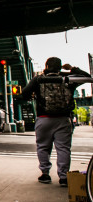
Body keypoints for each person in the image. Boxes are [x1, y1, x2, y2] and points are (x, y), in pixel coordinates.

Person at [21, 57, 91, 186]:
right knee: (63, 148)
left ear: (46, 66)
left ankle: (45, 174)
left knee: (43, 147)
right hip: (63, 119)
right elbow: (87, 76)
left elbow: (24, 93)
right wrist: (71, 69)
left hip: (43, 119)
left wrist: (33, 95)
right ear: (60, 67)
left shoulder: (38, 79)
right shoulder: (68, 78)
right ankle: (64, 177)